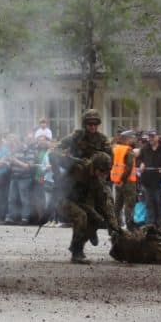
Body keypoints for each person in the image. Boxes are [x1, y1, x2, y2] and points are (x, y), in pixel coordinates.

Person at [55, 110, 118, 264]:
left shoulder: (103, 140)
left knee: (97, 216)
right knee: (82, 216)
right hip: (70, 191)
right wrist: (65, 159)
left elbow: (109, 160)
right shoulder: (75, 137)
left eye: (95, 124)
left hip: (91, 184)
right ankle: (77, 251)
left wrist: (115, 230)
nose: (92, 127)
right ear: (85, 124)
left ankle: (82, 241)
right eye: (90, 124)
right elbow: (55, 151)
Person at [137, 130, 161, 228]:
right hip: (147, 181)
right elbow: (139, 159)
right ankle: (150, 223)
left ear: (157, 137)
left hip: (160, 181)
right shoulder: (145, 148)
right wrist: (141, 163)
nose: (151, 139)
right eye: (150, 137)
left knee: (160, 203)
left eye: (153, 136)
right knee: (149, 203)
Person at [110, 131, 139, 231]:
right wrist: (123, 179)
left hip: (117, 181)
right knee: (129, 205)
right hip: (128, 182)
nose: (133, 140)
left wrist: (119, 180)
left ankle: (115, 226)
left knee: (118, 205)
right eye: (131, 138)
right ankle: (129, 226)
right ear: (127, 139)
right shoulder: (128, 150)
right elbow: (129, 167)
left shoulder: (116, 149)